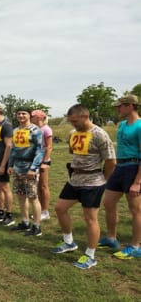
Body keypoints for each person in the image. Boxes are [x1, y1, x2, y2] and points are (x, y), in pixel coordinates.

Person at [51, 104, 116, 269]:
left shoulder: (99, 134)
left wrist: (105, 179)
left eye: (75, 121)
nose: (73, 124)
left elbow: (110, 160)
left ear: (85, 116)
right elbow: (75, 154)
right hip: (75, 179)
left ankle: (90, 255)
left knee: (89, 218)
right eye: (71, 121)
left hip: (93, 181)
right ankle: (69, 242)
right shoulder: (73, 133)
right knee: (60, 208)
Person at [98, 94, 141, 259]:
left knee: (135, 210)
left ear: (130, 106)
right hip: (119, 167)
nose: (117, 109)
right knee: (108, 203)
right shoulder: (122, 125)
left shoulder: (140, 126)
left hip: (134, 167)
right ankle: (111, 238)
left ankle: (135, 246)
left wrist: (137, 182)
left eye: (120, 106)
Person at [8, 108, 44, 236]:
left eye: (24, 113)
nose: (21, 115)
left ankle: (37, 226)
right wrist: (10, 165)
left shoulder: (35, 131)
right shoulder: (16, 131)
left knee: (33, 197)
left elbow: (40, 151)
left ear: (29, 115)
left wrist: (33, 168)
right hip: (17, 168)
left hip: (30, 168)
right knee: (21, 196)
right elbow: (13, 150)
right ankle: (25, 221)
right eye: (18, 113)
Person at [31, 110, 53, 221]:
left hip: (43, 161)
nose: (30, 118)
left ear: (39, 118)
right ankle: (39, 210)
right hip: (35, 161)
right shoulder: (35, 129)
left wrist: (44, 162)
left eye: (32, 116)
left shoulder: (46, 129)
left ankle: (45, 211)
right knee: (38, 186)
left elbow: (49, 147)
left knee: (43, 186)